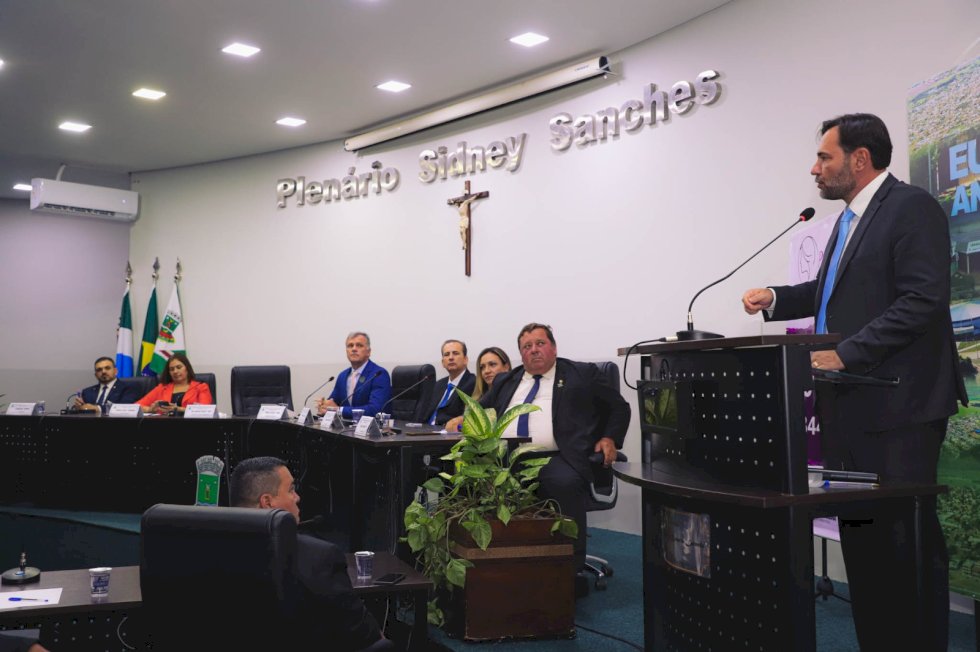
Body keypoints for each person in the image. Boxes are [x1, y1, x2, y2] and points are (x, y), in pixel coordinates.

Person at [741, 113, 967, 651]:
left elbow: (922, 301)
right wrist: (775, 298)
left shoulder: (910, 207)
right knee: (865, 542)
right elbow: (830, 294)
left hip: (900, 407)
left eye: (825, 157)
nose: (814, 168)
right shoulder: (847, 221)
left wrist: (845, 354)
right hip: (850, 404)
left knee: (903, 545)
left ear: (859, 159)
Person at [449, 323, 630, 571]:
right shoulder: (506, 380)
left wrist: (609, 438)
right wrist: (462, 419)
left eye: (540, 343)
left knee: (563, 483)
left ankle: (569, 570)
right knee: (466, 480)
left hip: (557, 457)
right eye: (526, 346)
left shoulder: (582, 373)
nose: (533, 350)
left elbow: (619, 407)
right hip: (504, 458)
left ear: (554, 348)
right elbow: (481, 410)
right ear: (520, 354)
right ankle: (487, 566)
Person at [229, 456, 383, 651]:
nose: (297, 497)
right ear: (267, 502)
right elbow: (365, 634)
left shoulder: (208, 552)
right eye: (291, 490)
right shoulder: (320, 557)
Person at [316, 332, 391, 420]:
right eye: (350, 346)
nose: (354, 349)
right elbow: (333, 403)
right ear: (346, 351)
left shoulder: (378, 374)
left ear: (368, 352)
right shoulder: (342, 376)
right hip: (346, 427)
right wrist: (324, 405)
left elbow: (375, 410)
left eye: (359, 345)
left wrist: (339, 410)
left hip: (373, 427)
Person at [420, 339, 476, 425]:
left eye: (455, 353)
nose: (451, 358)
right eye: (446, 354)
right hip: (425, 430)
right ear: (443, 362)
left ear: (465, 359)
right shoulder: (438, 385)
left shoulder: (473, 383)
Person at [136, 352, 213, 414]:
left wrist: (178, 409)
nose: (175, 371)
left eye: (179, 367)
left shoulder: (201, 387)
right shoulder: (162, 388)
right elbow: (136, 407)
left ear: (187, 368)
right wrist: (150, 409)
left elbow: (205, 411)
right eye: (172, 369)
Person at [71, 356, 142, 412]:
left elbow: (125, 407)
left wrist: (97, 408)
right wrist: (78, 407)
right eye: (99, 370)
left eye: (107, 368)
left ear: (115, 371)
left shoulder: (129, 388)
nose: (103, 372)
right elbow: (82, 409)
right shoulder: (87, 392)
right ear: (96, 375)